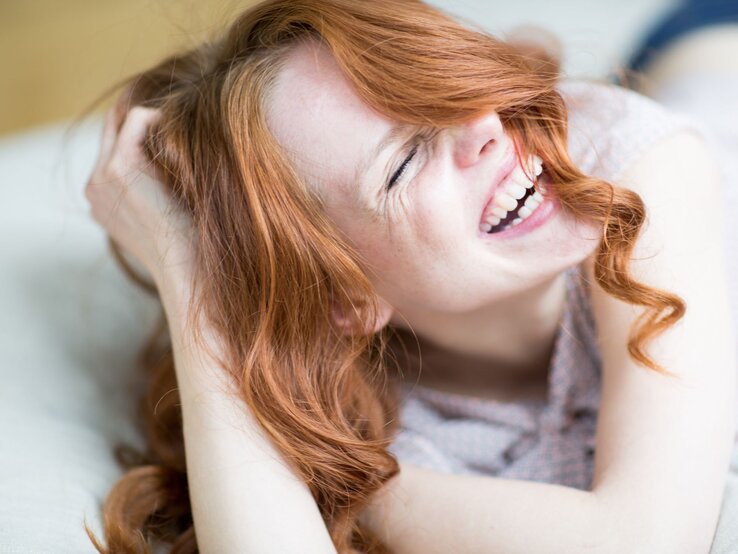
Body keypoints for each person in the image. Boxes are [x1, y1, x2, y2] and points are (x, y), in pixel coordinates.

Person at [81, 0, 738, 552]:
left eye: (453, 89)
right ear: (346, 296)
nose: (486, 126)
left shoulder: (636, 163)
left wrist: (341, 490)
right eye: (402, 164)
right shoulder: (396, 424)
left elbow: (649, 538)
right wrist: (189, 274)